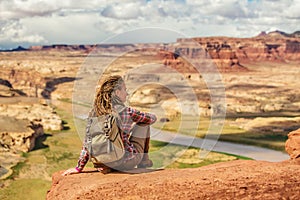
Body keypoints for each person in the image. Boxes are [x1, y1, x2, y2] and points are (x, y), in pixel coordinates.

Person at [63, 75, 157, 175]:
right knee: (143, 125)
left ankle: (108, 166)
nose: (127, 93)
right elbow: (151, 119)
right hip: (125, 162)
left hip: (103, 162)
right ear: (117, 92)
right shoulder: (126, 112)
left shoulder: (95, 113)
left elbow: (87, 142)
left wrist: (79, 168)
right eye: (125, 90)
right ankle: (144, 162)